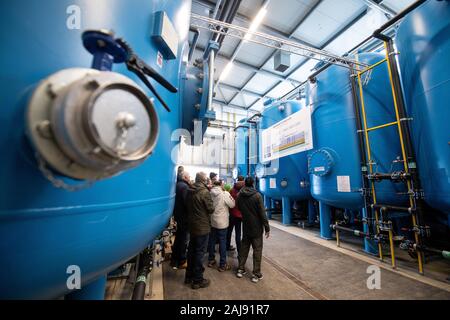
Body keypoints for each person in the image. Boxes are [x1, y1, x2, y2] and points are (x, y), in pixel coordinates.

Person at [236, 177, 270, 283]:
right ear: (253, 184)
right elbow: (262, 213)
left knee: (244, 248)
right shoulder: (257, 195)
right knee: (257, 250)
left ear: (245, 184)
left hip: (246, 226)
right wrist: (267, 227)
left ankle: (240, 269)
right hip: (256, 228)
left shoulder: (240, 195)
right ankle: (256, 274)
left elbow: (237, 207)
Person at [185, 172, 215, 289]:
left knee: (191, 251)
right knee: (199, 253)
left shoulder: (189, 190)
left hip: (192, 226)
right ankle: (198, 280)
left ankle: (188, 277)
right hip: (202, 227)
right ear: (204, 180)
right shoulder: (204, 192)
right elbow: (211, 209)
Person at [208, 180, 235, 272]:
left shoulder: (209, 193)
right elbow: (232, 205)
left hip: (212, 221)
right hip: (222, 222)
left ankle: (211, 260)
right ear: (221, 185)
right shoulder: (224, 193)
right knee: (222, 242)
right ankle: (222, 264)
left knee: (212, 240)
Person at [170, 171, 191, 270]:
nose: (190, 178)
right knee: (183, 239)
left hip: (178, 215)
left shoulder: (178, 185)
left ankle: (174, 259)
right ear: (185, 177)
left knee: (179, 238)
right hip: (184, 217)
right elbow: (187, 203)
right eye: (189, 176)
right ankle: (182, 260)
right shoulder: (184, 187)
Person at [226, 176, 245, 253]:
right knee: (238, 233)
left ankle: (227, 246)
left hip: (232, 214)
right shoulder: (243, 191)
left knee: (229, 231)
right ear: (243, 181)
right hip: (240, 215)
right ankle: (239, 250)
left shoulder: (232, 190)